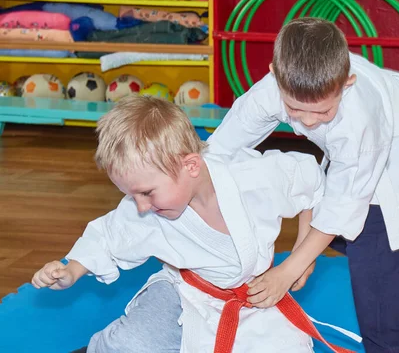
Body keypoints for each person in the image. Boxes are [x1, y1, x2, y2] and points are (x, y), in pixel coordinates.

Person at [207, 17, 399, 352]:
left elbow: (343, 209)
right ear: (275, 75)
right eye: (295, 108)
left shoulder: (359, 122)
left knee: (371, 241)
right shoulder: (270, 91)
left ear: (347, 83)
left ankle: (387, 345)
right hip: (365, 143)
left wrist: (290, 268)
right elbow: (221, 149)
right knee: (344, 233)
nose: (308, 120)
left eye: (322, 111)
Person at [31, 95, 357, 353]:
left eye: (146, 193)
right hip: (183, 290)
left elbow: (313, 186)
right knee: (131, 346)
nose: (141, 205)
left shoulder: (252, 178)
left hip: (255, 296)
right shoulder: (147, 207)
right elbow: (109, 234)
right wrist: (72, 269)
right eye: (131, 195)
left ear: (190, 166)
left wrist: (302, 259)